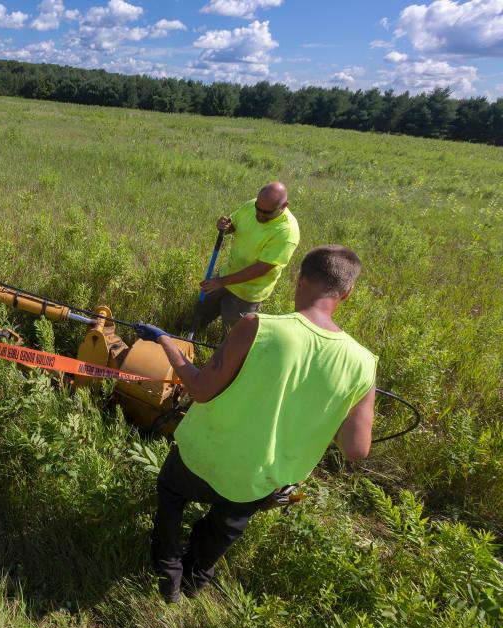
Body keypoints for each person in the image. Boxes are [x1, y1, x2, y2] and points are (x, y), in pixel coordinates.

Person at [136, 244, 377, 603]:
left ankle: (168, 571)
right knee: (227, 524)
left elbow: (201, 389)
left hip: (203, 455)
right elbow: (356, 449)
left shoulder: (257, 326)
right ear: (348, 292)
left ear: (300, 277)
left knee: (172, 494)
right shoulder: (363, 363)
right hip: (260, 479)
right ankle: (195, 578)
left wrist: (164, 342)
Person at [196, 182, 300, 333]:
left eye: (267, 212)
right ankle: (189, 337)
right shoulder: (251, 206)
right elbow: (234, 224)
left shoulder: (287, 232)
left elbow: (261, 268)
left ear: (284, 206)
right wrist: (224, 227)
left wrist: (220, 282)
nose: (260, 214)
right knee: (201, 312)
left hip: (248, 293)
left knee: (233, 335)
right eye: (258, 208)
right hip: (227, 274)